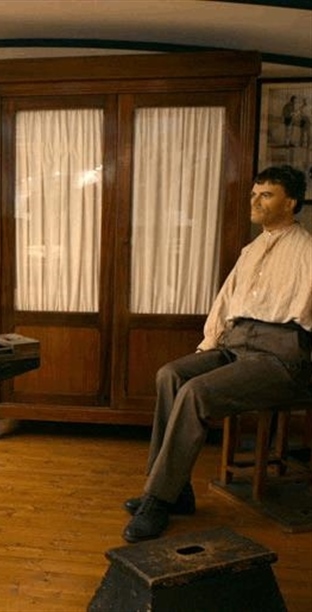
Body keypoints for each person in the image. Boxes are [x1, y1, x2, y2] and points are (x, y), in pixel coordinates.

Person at [122, 165, 312, 544]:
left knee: (197, 393)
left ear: (290, 203)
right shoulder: (252, 249)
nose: (255, 201)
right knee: (171, 375)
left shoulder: (308, 251)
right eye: (254, 194)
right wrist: (211, 344)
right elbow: (225, 304)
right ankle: (177, 490)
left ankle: (159, 498)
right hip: (237, 343)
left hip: (281, 357)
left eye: (266, 195)